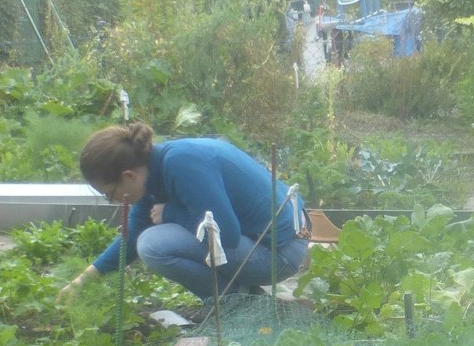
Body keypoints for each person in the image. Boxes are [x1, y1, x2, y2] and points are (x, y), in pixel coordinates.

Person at [58, 123, 309, 302]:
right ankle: (244, 298)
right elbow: (131, 236)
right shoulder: (152, 170)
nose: (111, 201)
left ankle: (238, 303)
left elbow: (227, 236)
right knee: (145, 240)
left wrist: (170, 214)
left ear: (128, 176)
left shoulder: (182, 164)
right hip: (260, 243)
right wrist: (84, 279)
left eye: (109, 192)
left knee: (153, 246)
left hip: (280, 253)